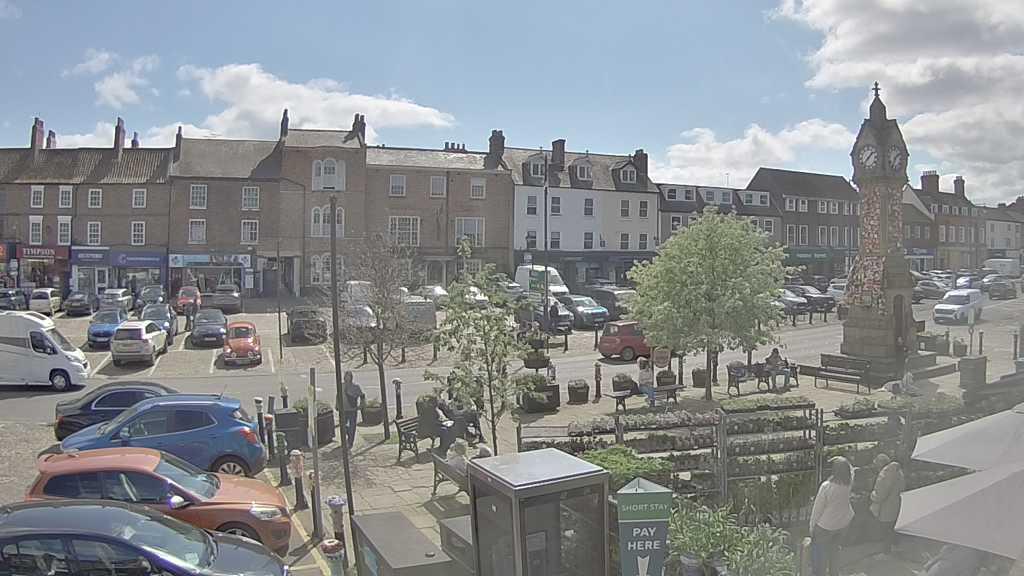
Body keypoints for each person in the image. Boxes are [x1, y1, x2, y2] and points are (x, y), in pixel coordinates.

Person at [809, 456, 854, 576]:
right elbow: (851, 470)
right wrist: (843, 460)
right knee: (834, 551)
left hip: (825, 526)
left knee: (820, 558)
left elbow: (817, 510)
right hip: (842, 524)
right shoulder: (848, 484)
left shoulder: (826, 487)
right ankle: (834, 573)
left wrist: (812, 528)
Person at [869, 454, 905, 551]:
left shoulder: (885, 473)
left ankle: (886, 552)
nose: (876, 467)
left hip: (886, 507)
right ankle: (896, 548)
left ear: (880, 463)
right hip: (897, 504)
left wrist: (872, 495)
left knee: (886, 530)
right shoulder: (898, 471)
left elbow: (880, 494)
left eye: (876, 464)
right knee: (893, 527)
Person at [341, 371, 364, 448]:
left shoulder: (355, 387)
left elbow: (362, 395)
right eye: (346, 376)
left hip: (352, 409)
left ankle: (350, 442)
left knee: (352, 426)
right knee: (343, 425)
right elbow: (338, 395)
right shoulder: (341, 385)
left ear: (351, 377)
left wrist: (361, 404)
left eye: (349, 376)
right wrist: (337, 405)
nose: (347, 378)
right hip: (343, 409)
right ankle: (348, 436)